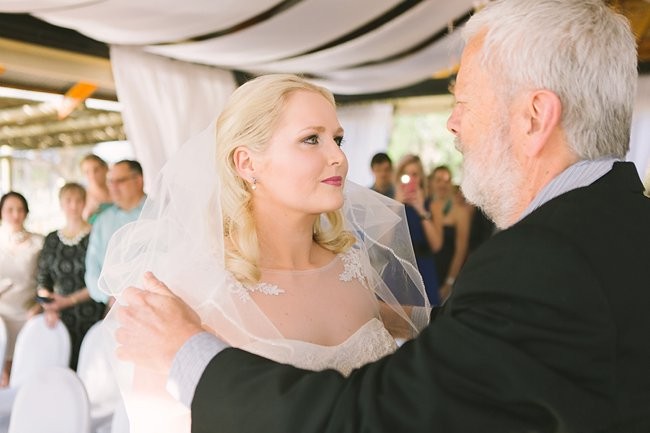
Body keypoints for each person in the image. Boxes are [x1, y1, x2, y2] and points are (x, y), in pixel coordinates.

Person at [114, 1, 650, 431]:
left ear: (534, 117)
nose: (453, 126)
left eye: (465, 103)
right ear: (245, 162)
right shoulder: (624, 224)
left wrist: (189, 355)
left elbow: (373, 417)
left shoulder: (545, 259)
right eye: (311, 139)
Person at [102, 75, 428, 432]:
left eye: (337, 139)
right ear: (246, 163)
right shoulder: (189, 294)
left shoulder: (352, 265)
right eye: (311, 139)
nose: (339, 157)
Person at [35, 183, 104, 370]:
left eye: (78, 200)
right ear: (61, 204)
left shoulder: (96, 235)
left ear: (84, 203)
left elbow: (102, 278)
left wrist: (69, 301)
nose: (73, 205)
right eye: (68, 200)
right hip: (57, 315)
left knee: (89, 368)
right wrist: (48, 307)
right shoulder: (51, 238)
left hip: (90, 313)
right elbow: (43, 277)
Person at [85, 160, 146, 306]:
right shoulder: (102, 220)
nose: (113, 187)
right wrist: (108, 297)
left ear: (138, 181)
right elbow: (92, 266)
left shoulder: (160, 212)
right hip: (115, 306)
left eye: (119, 181)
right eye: (110, 182)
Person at [0, 192, 43, 386]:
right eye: (10, 209)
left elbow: (45, 280)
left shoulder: (39, 242)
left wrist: (40, 305)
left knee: (24, 368)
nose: (15, 214)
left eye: (20, 209)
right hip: (2, 314)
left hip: (27, 313)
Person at [394, 154, 443, 304]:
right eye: (406, 174)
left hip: (424, 267)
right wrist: (396, 206)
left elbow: (436, 245)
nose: (410, 179)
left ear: (421, 177)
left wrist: (421, 210)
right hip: (399, 268)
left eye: (415, 174)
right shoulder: (390, 203)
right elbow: (381, 241)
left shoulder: (433, 205)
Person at [428, 165, 471, 300]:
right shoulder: (424, 207)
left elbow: (461, 249)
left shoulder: (460, 212)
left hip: (445, 271)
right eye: (439, 180)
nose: (442, 184)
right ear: (431, 182)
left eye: (446, 180)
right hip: (424, 268)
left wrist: (450, 281)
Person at [80, 154, 112, 224]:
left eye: (96, 169)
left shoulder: (117, 190)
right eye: (87, 172)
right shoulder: (82, 197)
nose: (92, 175)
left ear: (106, 168)